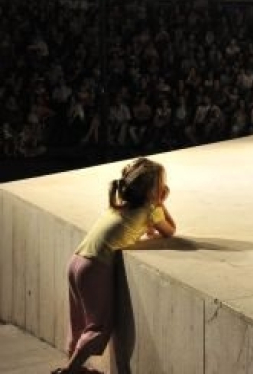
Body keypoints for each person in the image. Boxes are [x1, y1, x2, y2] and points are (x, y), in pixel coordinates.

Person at [53, 157, 177, 374]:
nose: (166, 187)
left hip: (77, 260)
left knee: (78, 320)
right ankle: (69, 372)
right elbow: (170, 231)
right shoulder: (150, 209)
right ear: (151, 192)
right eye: (162, 185)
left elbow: (140, 228)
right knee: (99, 327)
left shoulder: (117, 206)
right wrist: (161, 203)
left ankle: (73, 365)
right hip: (95, 267)